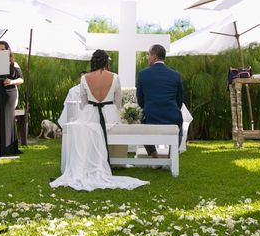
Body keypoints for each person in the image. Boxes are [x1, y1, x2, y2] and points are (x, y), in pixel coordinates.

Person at [50, 49, 148, 191]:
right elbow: (118, 101)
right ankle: (110, 163)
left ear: (93, 61)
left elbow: (83, 102)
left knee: (83, 128)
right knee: (102, 128)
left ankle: (85, 165)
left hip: (90, 115)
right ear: (106, 62)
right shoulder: (114, 77)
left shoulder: (85, 78)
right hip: (110, 116)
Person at [136, 44, 184, 157]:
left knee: (142, 127)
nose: (148, 57)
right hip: (172, 117)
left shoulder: (143, 74)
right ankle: (171, 156)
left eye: (149, 54)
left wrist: (149, 108)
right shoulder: (175, 75)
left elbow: (140, 101)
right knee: (179, 128)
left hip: (150, 117)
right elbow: (179, 100)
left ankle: (154, 156)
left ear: (154, 56)